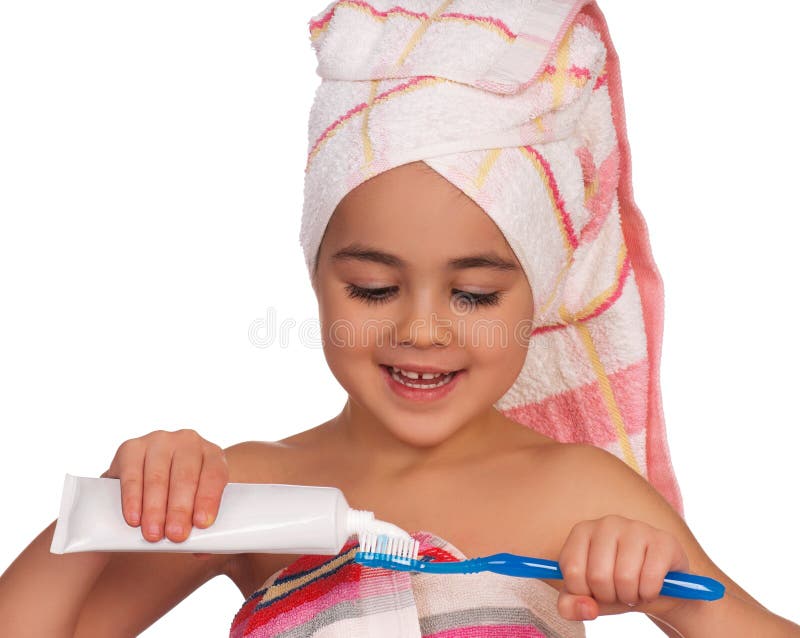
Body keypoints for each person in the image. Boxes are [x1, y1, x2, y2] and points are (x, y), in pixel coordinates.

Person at [1, 2, 799, 637]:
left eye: (475, 296)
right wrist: (119, 501)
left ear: (539, 296)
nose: (423, 331)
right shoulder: (253, 492)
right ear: (316, 278)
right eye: (375, 289)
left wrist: (679, 602)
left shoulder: (581, 493)